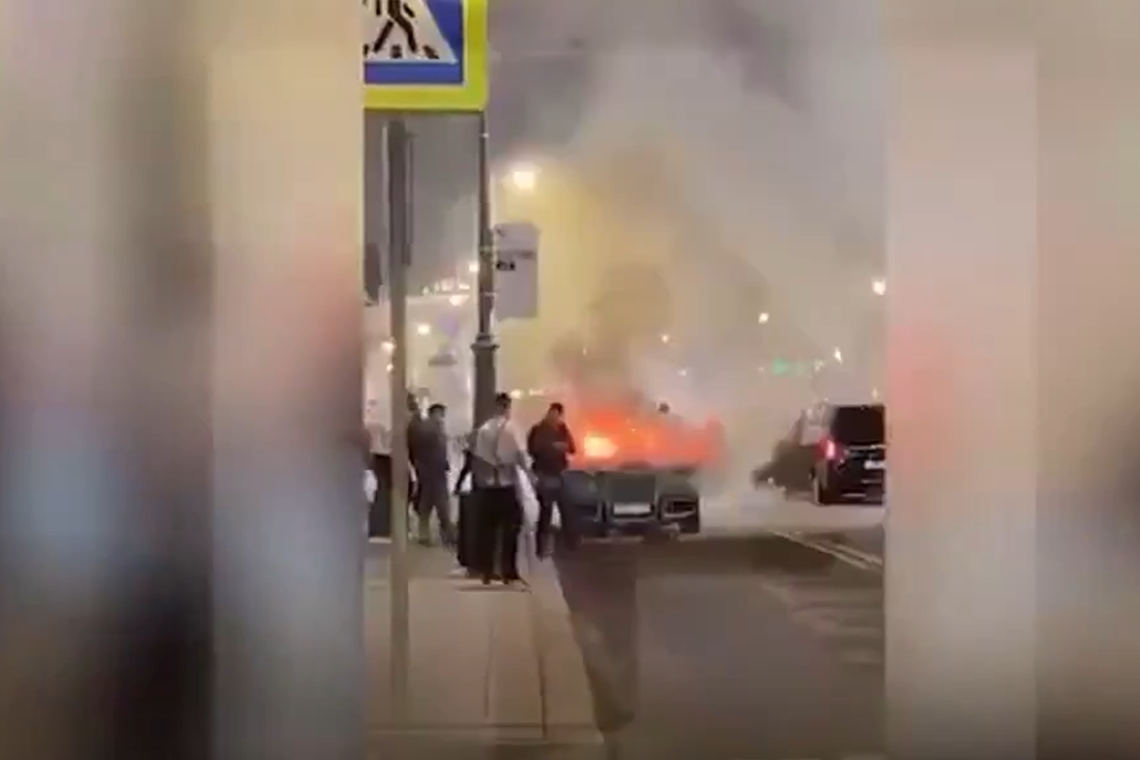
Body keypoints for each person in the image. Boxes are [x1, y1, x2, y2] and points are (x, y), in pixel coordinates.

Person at [470, 392, 530, 587]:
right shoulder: (512, 429)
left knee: (487, 530)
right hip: (506, 486)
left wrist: (481, 480)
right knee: (511, 529)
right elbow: (520, 456)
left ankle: (487, 571)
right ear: (507, 407)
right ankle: (508, 571)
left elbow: (478, 458)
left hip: (488, 487)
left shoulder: (484, 430)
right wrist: (530, 476)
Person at [526, 402, 578, 557]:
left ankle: (569, 546)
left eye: (557, 414)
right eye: (552, 413)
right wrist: (553, 446)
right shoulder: (538, 429)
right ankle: (541, 548)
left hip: (560, 474)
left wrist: (563, 446)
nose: (554, 417)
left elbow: (572, 448)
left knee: (567, 510)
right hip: (544, 475)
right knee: (545, 512)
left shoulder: (563, 429)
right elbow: (533, 449)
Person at [412, 403, 455, 546]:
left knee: (427, 502)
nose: (442, 417)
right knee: (441, 503)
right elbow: (432, 449)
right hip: (434, 471)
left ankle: (425, 533)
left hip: (430, 470)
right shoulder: (431, 428)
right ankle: (447, 533)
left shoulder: (428, 428)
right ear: (434, 413)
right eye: (441, 414)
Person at [364, 399, 393, 537]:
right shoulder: (380, 425)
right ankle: (382, 527)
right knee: (382, 495)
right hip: (382, 458)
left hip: (369, 459)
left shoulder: (365, 424)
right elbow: (386, 445)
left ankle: (374, 526)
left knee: (374, 495)